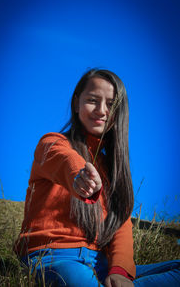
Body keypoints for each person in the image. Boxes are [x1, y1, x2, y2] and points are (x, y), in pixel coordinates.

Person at [14, 69, 180, 286]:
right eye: (92, 100)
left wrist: (120, 270)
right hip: (52, 256)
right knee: (79, 279)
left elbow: (120, 224)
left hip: (101, 264)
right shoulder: (52, 143)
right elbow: (64, 160)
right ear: (76, 104)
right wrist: (80, 175)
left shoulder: (113, 169)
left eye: (111, 104)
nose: (102, 111)